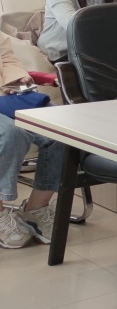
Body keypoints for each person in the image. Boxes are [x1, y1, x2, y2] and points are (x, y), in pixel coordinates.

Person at [0, 31, 67, 247]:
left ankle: (36, 208)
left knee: (63, 129)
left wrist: (16, 78)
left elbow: (7, 59)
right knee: (12, 134)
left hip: (7, 96)